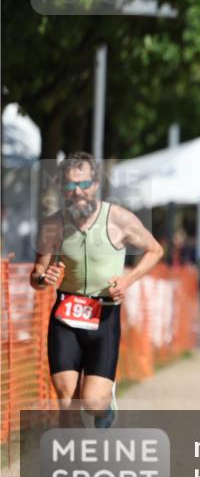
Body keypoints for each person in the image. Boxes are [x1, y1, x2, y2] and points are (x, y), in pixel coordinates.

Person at [30, 152, 163, 427]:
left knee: (93, 403)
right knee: (66, 399)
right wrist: (45, 278)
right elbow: (37, 275)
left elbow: (155, 250)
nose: (77, 192)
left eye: (84, 184)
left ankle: (105, 406)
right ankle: (76, 464)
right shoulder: (54, 225)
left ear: (96, 184)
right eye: (69, 186)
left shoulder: (119, 219)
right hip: (65, 315)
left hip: (104, 315)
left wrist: (128, 279)